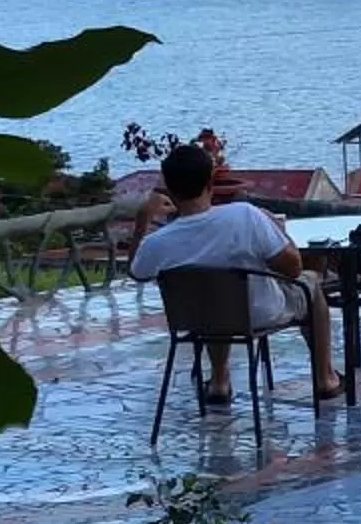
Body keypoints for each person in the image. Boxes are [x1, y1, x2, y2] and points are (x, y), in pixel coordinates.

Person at [128, 143, 345, 404]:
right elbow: (293, 267)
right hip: (257, 313)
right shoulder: (245, 216)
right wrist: (275, 228)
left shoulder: (158, 243)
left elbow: (136, 272)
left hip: (195, 318)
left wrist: (142, 221)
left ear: (170, 191)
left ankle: (219, 382)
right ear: (210, 182)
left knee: (210, 300)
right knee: (309, 283)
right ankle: (325, 378)